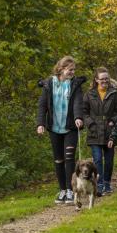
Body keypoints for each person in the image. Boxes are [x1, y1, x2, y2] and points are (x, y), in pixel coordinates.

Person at [36, 56, 86, 204]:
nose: (72, 72)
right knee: (59, 159)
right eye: (70, 69)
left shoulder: (75, 84)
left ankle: (71, 190)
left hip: (70, 127)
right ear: (61, 69)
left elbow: (78, 102)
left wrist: (78, 117)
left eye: (74, 70)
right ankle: (62, 190)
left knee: (69, 157)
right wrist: (41, 123)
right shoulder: (49, 84)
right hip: (54, 127)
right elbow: (42, 105)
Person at [83, 67, 117, 196]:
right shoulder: (89, 94)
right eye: (102, 79)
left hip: (109, 131)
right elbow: (84, 112)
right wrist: (90, 124)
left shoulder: (115, 93)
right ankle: (99, 184)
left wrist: (113, 120)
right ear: (96, 80)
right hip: (94, 131)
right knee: (97, 160)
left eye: (107, 78)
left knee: (109, 160)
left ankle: (107, 183)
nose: (105, 81)